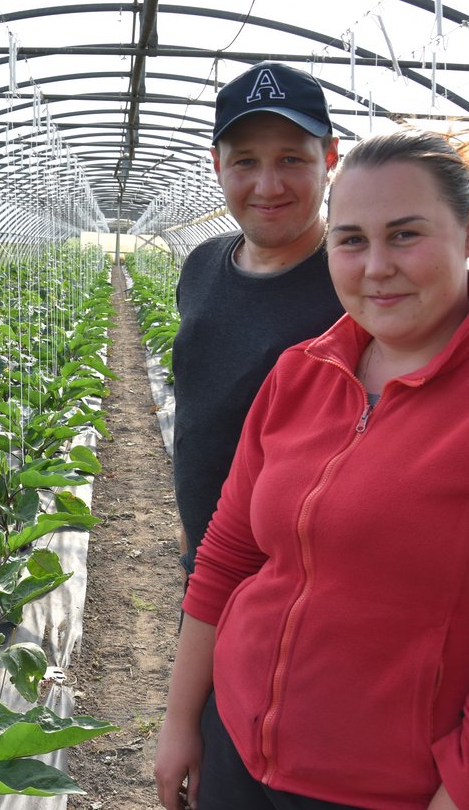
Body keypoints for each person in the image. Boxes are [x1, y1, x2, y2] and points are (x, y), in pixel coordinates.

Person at [154, 127, 469, 810]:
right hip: (234, 751)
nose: (375, 266)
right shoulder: (300, 374)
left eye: (405, 235)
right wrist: (181, 719)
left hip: (387, 793)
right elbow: (227, 554)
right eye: (351, 240)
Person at [172, 62, 345, 574]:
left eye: (291, 158)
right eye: (245, 161)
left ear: (329, 158)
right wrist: (189, 527)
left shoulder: (360, 287)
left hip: (304, 585)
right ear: (217, 165)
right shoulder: (202, 263)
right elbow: (199, 413)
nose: (268, 186)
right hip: (205, 565)